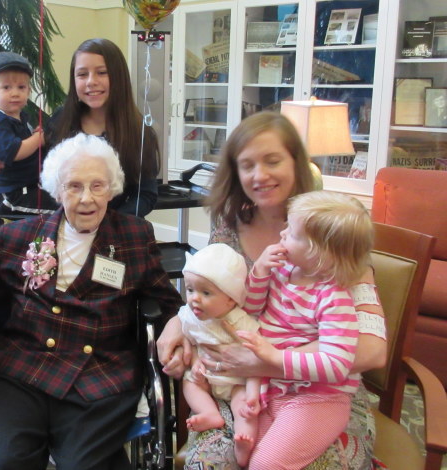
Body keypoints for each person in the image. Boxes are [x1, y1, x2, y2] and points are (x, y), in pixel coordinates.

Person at [157, 111, 387, 470]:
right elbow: (207, 293)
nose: (259, 175)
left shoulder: (330, 235)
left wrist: (266, 360)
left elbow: (373, 351)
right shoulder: (229, 230)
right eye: (246, 165)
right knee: (217, 462)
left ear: (297, 162)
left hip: (319, 394)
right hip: (245, 390)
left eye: (272, 160)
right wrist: (178, 325)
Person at [0, 133, 183, 470]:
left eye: (97, 186)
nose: (87, 199)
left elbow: (166, 302)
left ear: (111, 189)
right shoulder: (17, 237)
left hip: (99, 374)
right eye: (74, 186)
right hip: (21, 372)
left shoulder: (134, 236)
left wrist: (175, 324)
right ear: (57, 190)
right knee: (2, 461)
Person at [239, 190, 371, 469]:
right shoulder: (284, 270)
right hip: (274, 391)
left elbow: (337, 365)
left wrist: (274, 358)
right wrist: (260, 272)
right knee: (247, 456)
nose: (283, 233)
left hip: (319, 398)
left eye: (293, 232)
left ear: (320, 253)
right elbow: (252, 310)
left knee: (265, 465)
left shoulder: (333, 297)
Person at [0, 38, 160, 218]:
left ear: (118, 76)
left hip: (112, 233)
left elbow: (145, 195)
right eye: (82, 74)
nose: (91, 81)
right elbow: (31, 158)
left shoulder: (139, 133)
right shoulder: (61, 120)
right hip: (59, 232)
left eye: (102, 72)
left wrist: (107, 223)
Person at [179, 243, 261, 467]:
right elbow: (193, 343)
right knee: (189, 384)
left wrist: (254, 394)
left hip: (236, 381)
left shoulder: (240, 322)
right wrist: (196, 363)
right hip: (207, 378)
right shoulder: (189, 317)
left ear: (231, 299)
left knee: (244, 406)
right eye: (190, 290)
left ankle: (244, 442)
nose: (195, 298)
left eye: (206, 293)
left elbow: (258, 359)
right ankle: (209, 413)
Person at [0, 51, 58, 216]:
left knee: (63, 201)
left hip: (30, 188)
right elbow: (13, 151)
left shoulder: (21, 117)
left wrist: (34, 136)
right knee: (62, 210)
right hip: (12, 196)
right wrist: (39, 138)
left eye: (21, 87)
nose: (15, 93)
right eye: (6, 87)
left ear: (29, 90)